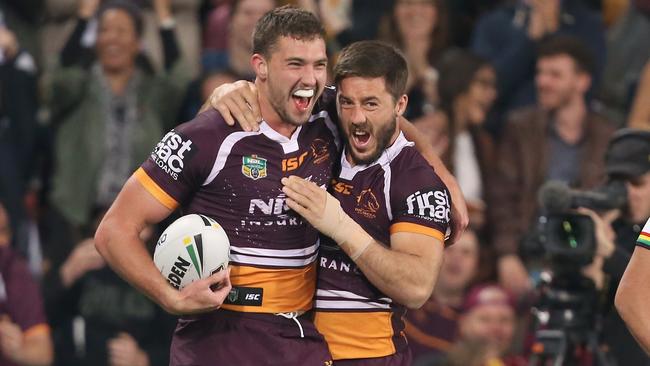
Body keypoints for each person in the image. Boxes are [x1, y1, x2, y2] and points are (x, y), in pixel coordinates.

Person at [95, 6, 338, 365]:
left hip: (302, 340)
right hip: (220, 343)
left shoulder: (330, 119)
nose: (310, 78)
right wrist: (170, 298)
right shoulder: (207, 135)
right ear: (261, 66)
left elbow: (389, 119)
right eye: (295, 64)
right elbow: (114, 230)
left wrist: (445, 182)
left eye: (319, 65)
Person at [278, 40, 449, 364]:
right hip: (295, 353)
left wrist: (341, 226)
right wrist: (226, 93)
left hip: (367, 357)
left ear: (400, 105)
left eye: (371, 104)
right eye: (347, 103)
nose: (357, 117)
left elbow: (417, 286)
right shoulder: (323, 132)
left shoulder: (415, 180)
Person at [490, 36, 615, 297]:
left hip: (590, 257)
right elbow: (503, 196)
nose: (542, 82)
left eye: (555, 75)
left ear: (582, 81)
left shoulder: (608, 136)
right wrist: (507, 255)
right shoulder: (521, 128)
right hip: (531, 255)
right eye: (540, 73)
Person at [405, 229, 482, 361]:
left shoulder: (477, 322)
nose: (457, 258)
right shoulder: (402, 298)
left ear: (477, 267)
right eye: (450, 248)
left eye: (466, 252)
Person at [0, 203, 53, 366]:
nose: (2, 242)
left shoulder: (13, 269)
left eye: (4, 232)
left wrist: (18, 350)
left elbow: (43, 353)